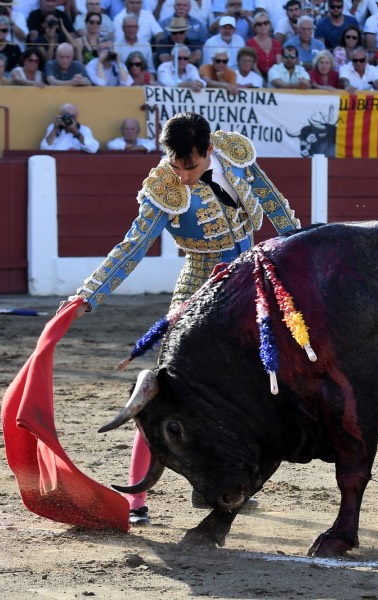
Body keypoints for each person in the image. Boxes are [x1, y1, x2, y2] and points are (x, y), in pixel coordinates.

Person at [61, 112, 300, 526]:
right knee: (165, 388)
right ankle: (137, 499)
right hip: (201, 281)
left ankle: (220, 482)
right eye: (176, 165)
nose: (184, 176)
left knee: (256, 383)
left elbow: (275, 205)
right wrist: (89, 294)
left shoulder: (233, 153)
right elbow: (132, 248)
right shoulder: (162, 188)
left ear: (209, 151)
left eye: (191, 166)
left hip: (249, 275)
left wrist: (300, 252)